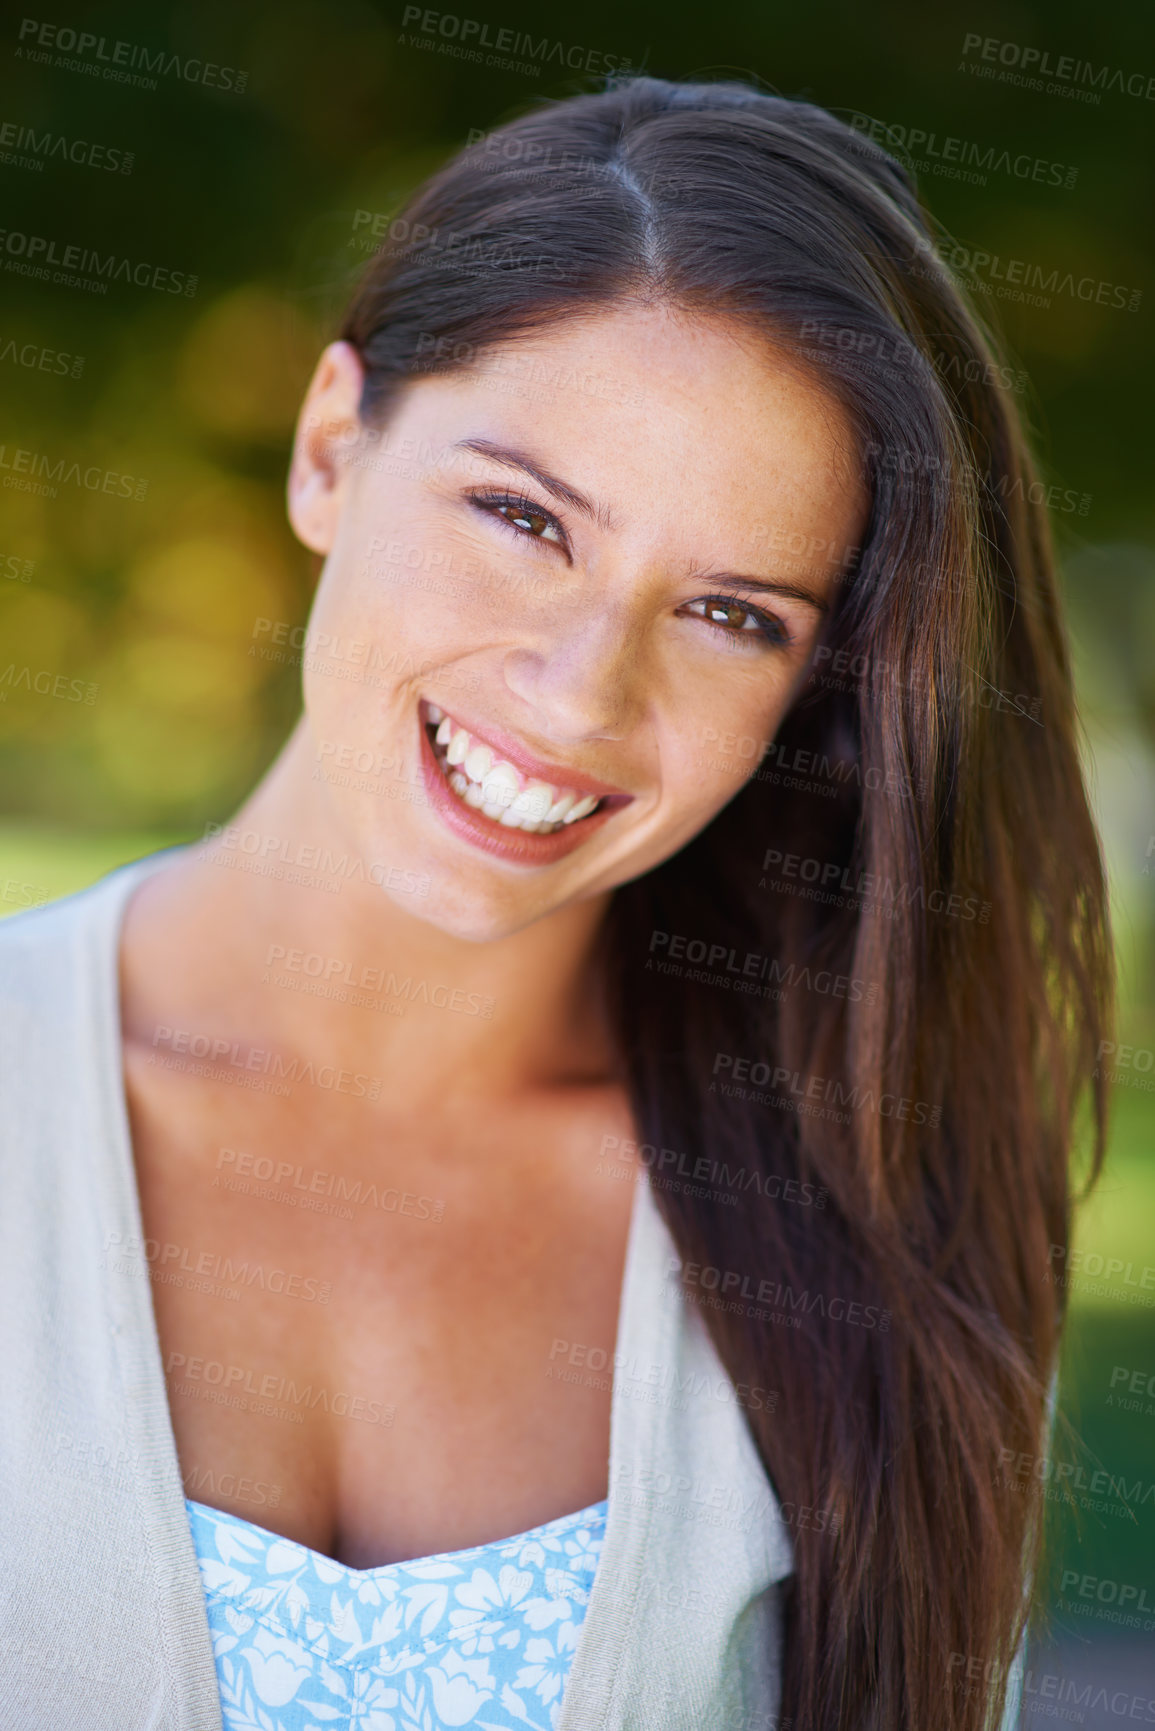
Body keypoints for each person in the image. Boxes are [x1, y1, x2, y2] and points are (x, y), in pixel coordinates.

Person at [0, 74, 1112, 1731]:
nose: (583, 696)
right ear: (328, 451)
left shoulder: (855, 1218)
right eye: (522, 518)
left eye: (733, 613)